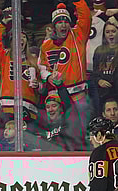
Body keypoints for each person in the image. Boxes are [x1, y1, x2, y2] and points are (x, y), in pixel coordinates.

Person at [39, 0, 91, 130]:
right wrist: (49, 77)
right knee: (60, 131)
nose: (63, 25)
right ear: (54, 26)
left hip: (77, 93)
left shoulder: (78, 35)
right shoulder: (46, 45)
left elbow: (85, 16)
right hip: (57, 95)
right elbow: (42, 66)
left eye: (66, 21)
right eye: (60, 22)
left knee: (82, 129)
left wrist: (77, 1)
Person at [0, 9, 41, 130]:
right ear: (11, 41)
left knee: (28, 144)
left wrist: (38, 85)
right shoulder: (4, 57)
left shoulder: (34, 60)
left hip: (29, 107)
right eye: (17, 37)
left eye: (24, 37)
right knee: (8, 142)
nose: (21, 39)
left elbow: (41, 86)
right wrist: (3, 23)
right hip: (8, 106)